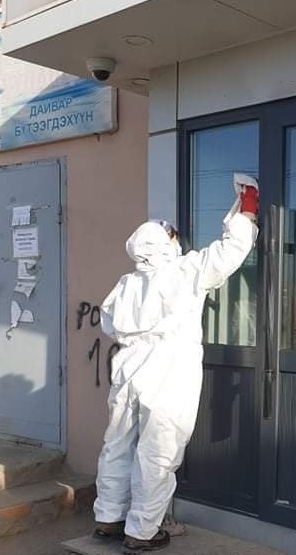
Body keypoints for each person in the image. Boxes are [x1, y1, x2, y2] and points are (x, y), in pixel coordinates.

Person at [92, 184, 259, 553]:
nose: (176, 239)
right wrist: (246, 208)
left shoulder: (126, 284)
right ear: (164, 245)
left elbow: (109, 324)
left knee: (117, 444)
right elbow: (230, 251)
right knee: (158, 451)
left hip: (128, 367)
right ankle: (142, 531)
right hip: (167, 371)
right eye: (171, 235)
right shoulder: (185, 271)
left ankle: (108, 518)